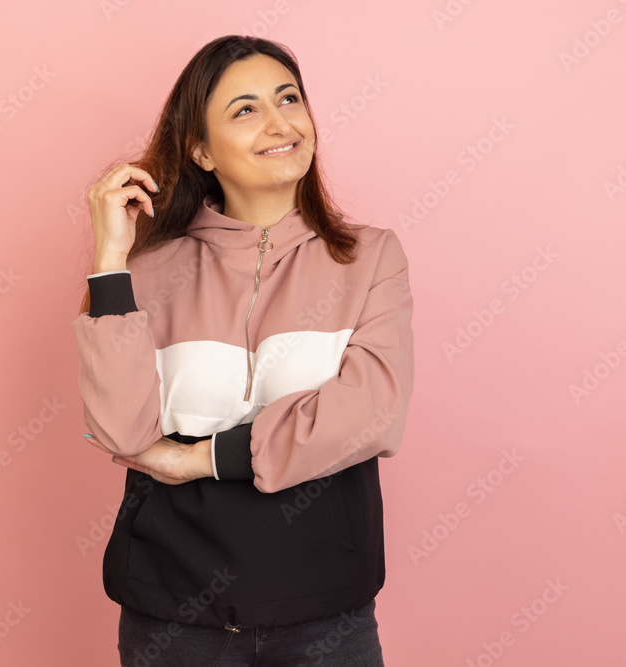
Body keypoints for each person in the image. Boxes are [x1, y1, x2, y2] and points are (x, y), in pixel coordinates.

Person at [70, 35, 415, 666]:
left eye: (289, 98)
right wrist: (111, 262)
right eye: (245, 109)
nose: (280, 123)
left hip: (324, 611)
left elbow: (370, 415)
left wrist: (198, 459)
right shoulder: (146, 271)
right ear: (199, 149)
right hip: (172, 612)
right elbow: (121, 429)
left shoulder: (369, 258)